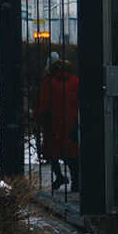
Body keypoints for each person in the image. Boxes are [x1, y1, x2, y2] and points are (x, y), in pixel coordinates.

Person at [38, 54, 80, 192]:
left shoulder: (48, 81)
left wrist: (41, 119)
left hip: (53, 123)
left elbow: (44, 103)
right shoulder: (74, 81)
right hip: (71, 122)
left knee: (52, 152)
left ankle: (59, 176)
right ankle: (76, 182)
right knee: (72, 155)